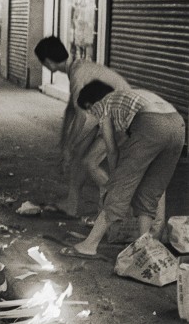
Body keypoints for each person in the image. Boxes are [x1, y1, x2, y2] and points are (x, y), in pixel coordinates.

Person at [63, 81, 184, 259]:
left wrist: (117, 181)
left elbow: (112, 150)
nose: (92, 116)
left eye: (90, 112)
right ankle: (145, 249)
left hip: (151, 124)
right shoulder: (129, 95)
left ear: (91, 104)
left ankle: (89, 245)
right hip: (178, 125)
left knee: (119, 190)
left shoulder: (103, 104)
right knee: (150, 191)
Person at [34, 36, 130, 218]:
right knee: (80, 155)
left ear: (47, 62)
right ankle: (72, 205)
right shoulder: (77, 67)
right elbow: (72, 108)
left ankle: (121, 207)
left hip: (122, 119)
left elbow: (81, 116)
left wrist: (68, 147)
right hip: (110, 114)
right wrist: (64, 143)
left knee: (89, 161)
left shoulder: (78, 74)